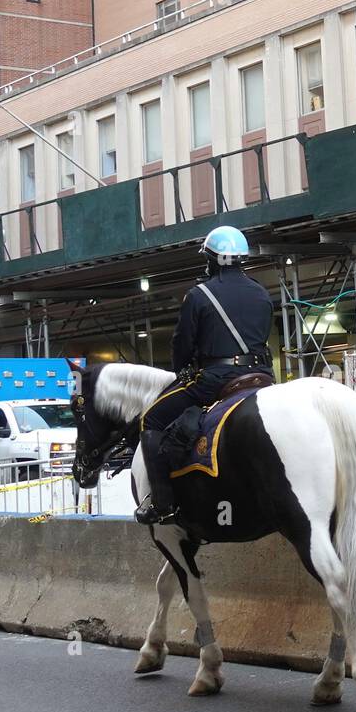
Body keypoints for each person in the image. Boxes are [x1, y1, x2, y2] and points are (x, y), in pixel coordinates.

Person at [134, 225, 274, 525]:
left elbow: (183, 344)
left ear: (212, 260)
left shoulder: (199, 295)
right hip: (261, 376)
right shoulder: (262, 293)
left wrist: (183, 367)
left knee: (151, 419)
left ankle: (163, 504)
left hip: (217, 379)